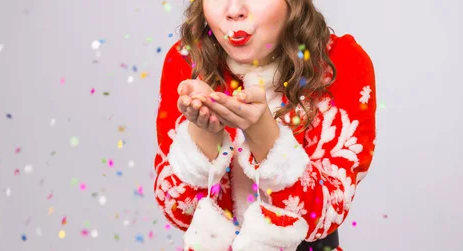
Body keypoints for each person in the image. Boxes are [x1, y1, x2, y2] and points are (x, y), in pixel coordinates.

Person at [153, 0, 376, 250]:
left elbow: (325, 215)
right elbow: (177, 211)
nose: (234, 10)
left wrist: (265, 135)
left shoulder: (340, 62)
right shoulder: (187, 59)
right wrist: (203, 134)